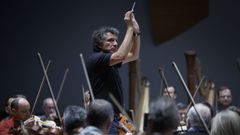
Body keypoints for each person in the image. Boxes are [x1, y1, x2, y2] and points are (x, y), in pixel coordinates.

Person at [86, 9, 140, 134]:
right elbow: (121, 55)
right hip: (103, 118)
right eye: (110, 40)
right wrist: (129, 27)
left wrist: (136, 32)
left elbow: (134, 55)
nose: (115, 43)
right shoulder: (97, 58)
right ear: (99, 44)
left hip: (113, 117)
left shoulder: (110, 61)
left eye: (116, 40)